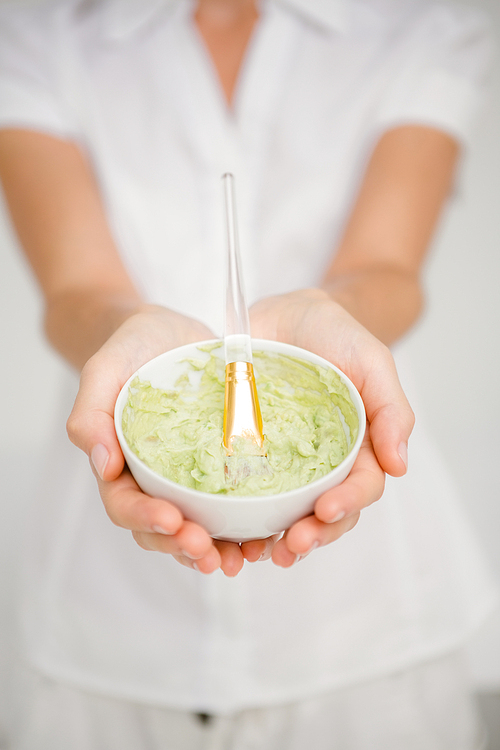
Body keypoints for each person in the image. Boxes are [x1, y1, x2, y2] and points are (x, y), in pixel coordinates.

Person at [0, 0, 497, 747]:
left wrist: (333, 313)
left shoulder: (420, 24)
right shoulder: (39, 39)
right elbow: (75, 293)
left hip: (369, 632)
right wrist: (125, 335)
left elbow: (387, 269)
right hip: (108, 637)